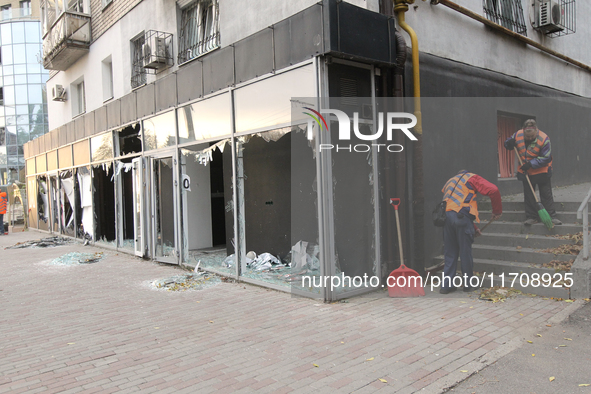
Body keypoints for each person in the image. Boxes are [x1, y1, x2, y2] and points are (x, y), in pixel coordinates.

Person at [440, 170, 502, 294]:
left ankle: (446, 286)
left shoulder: (450, 182)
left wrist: (473, 228)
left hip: (446, 218)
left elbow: (455, 207)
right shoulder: (471, 178)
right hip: (461, 218)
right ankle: (468, 285)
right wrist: (497, 211)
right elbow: (493, 190)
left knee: (450, 253)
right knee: (465, 252)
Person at [504, 119, 561, 226]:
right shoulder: (517, 135)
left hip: (542, 170)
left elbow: (546, 157)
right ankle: (531, 217)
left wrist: (531, 164)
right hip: (526, 171)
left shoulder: (544, 139)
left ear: (536, 130)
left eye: (532, 136)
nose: (529, 138)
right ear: (523, 131)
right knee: (529, 194)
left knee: (546, 194)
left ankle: (551, 216)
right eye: (527, 136)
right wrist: (508, 143)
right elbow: (507, 143)